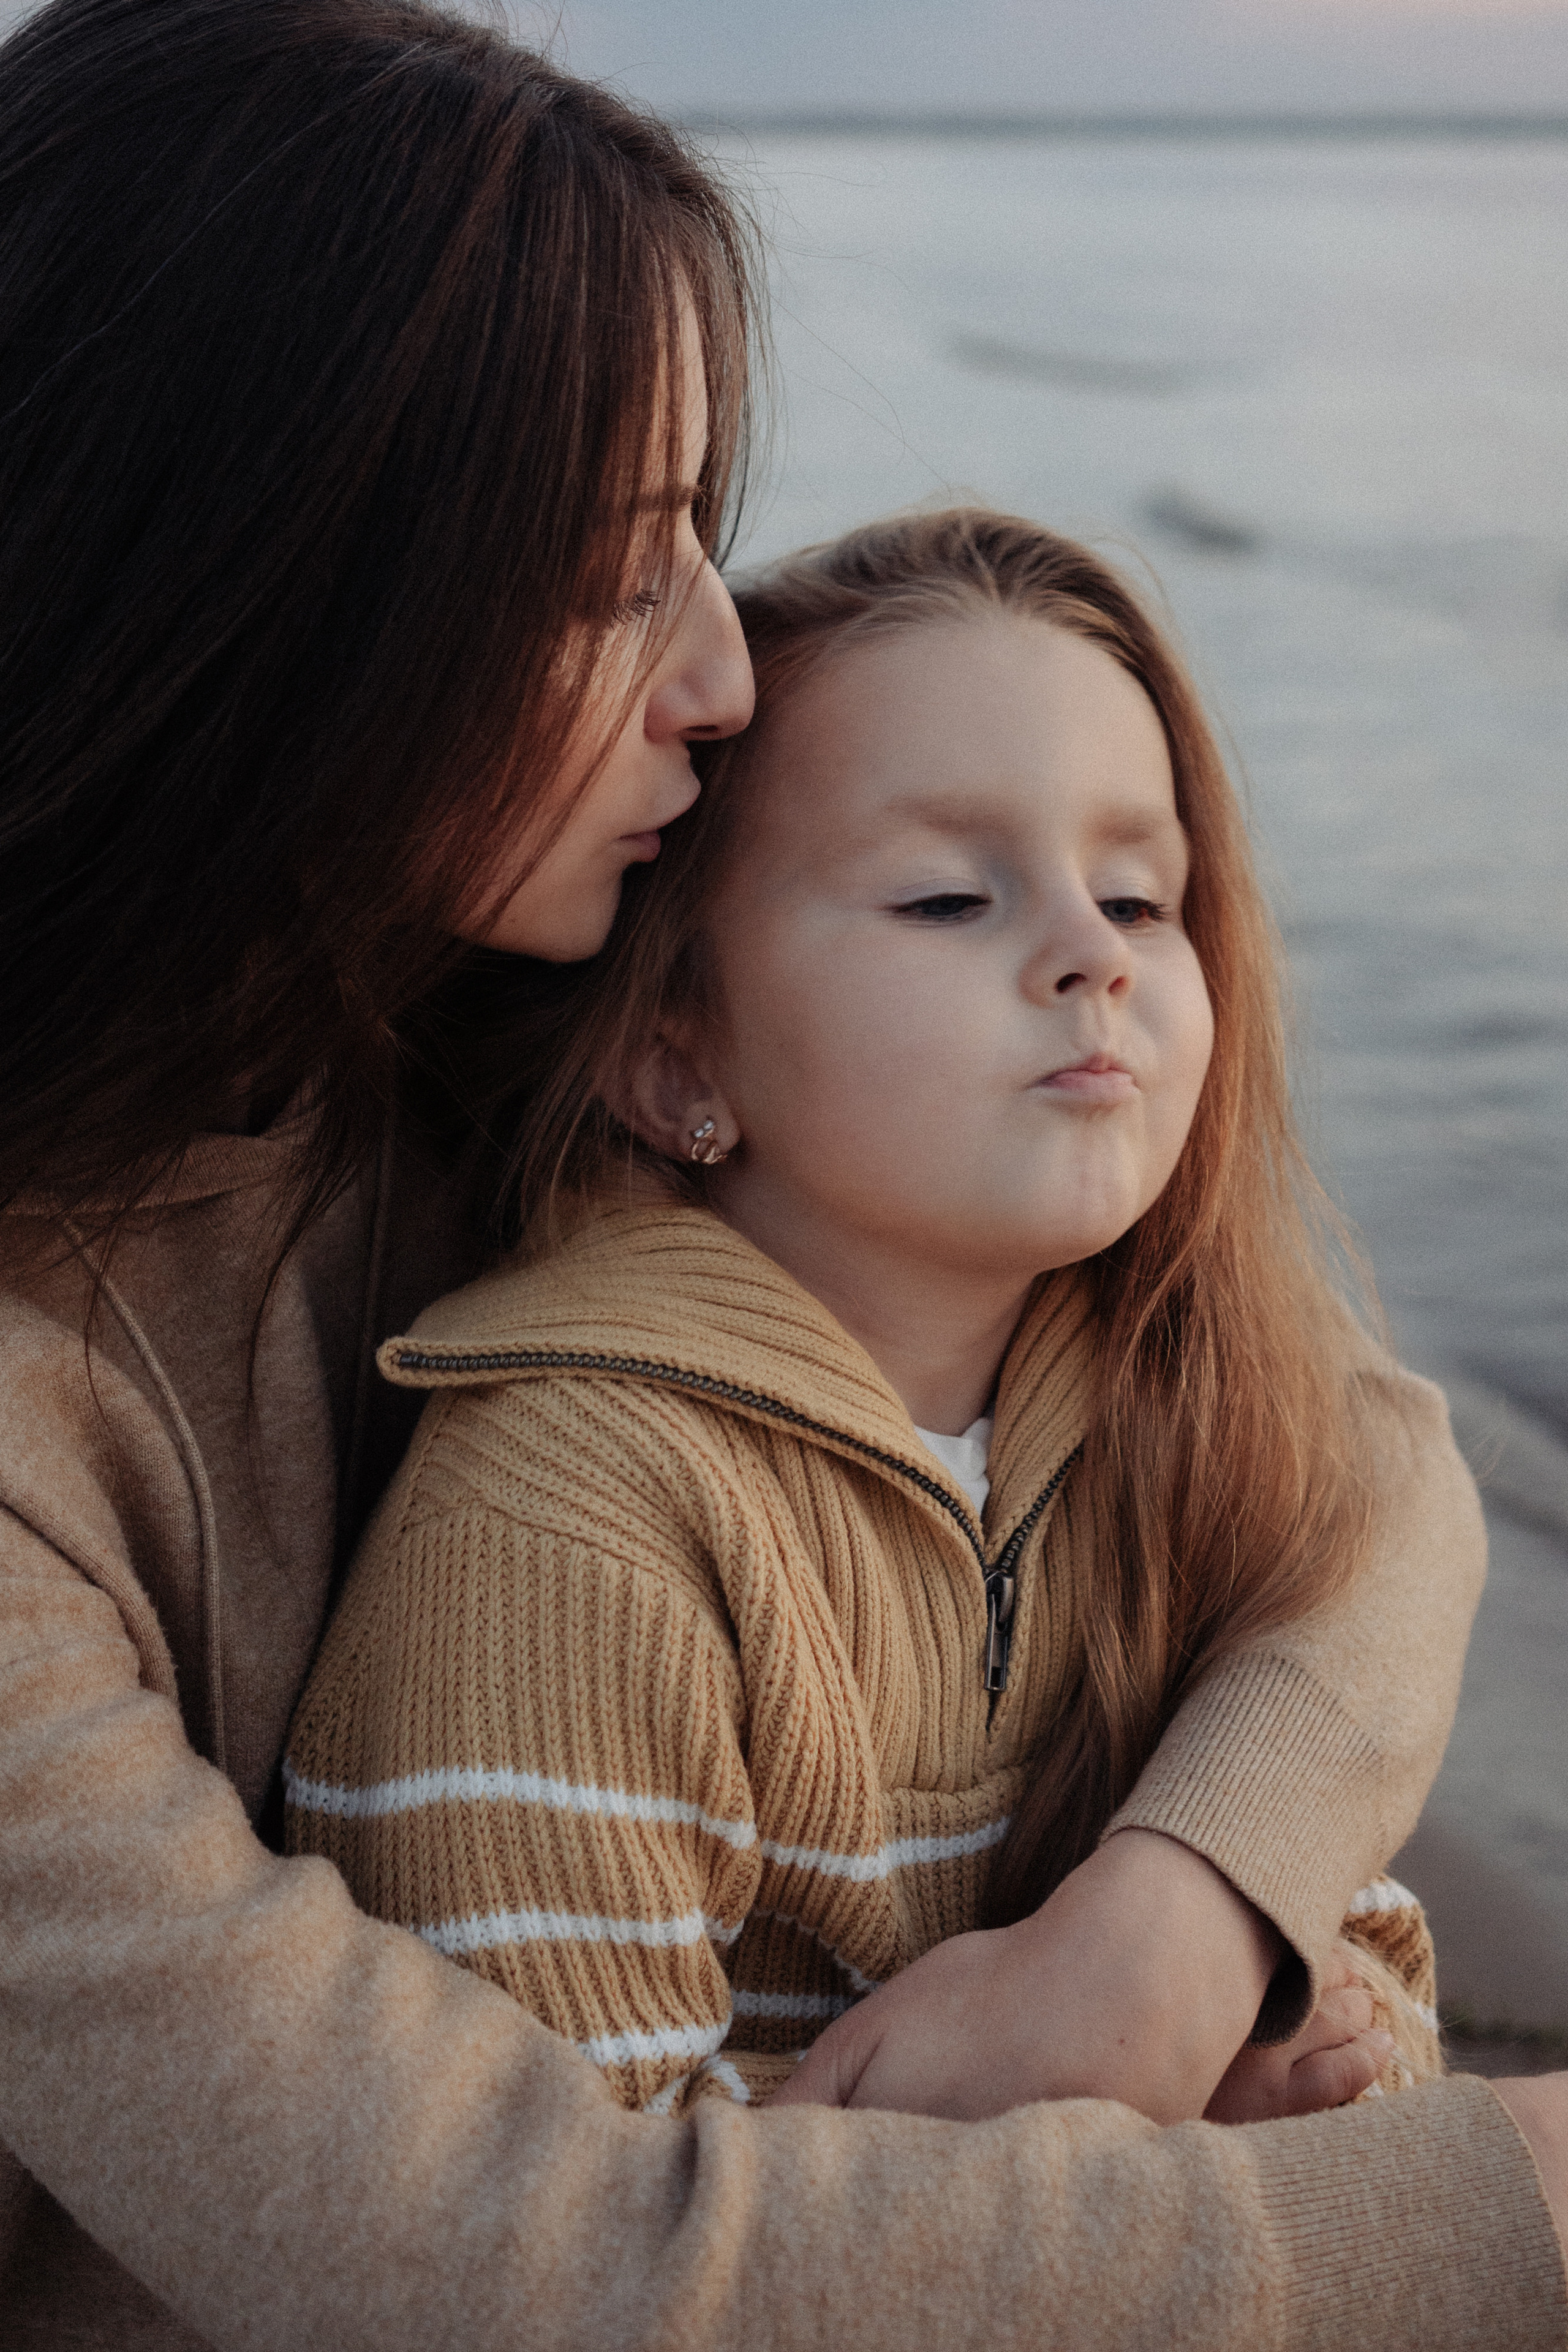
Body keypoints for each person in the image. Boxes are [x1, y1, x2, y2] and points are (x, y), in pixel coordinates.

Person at [0, 1, 1563, 2346]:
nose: (725, 680)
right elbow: (533, 2271)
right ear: (287, 576)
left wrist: (1173, 1912)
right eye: (622, 573)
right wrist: (1518, 2209)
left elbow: (1367, 1462)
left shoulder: (408, 1008)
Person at [287, 508, 1442, 2124]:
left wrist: (1292, 2036)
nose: (1084, 959)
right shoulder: (570, 1521)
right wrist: (1146, 2135)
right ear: (679, 1055)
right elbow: (571, 2222)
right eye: (946, 902)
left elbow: (1366, 1954)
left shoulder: (1177, 1411)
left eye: (1139, 897)